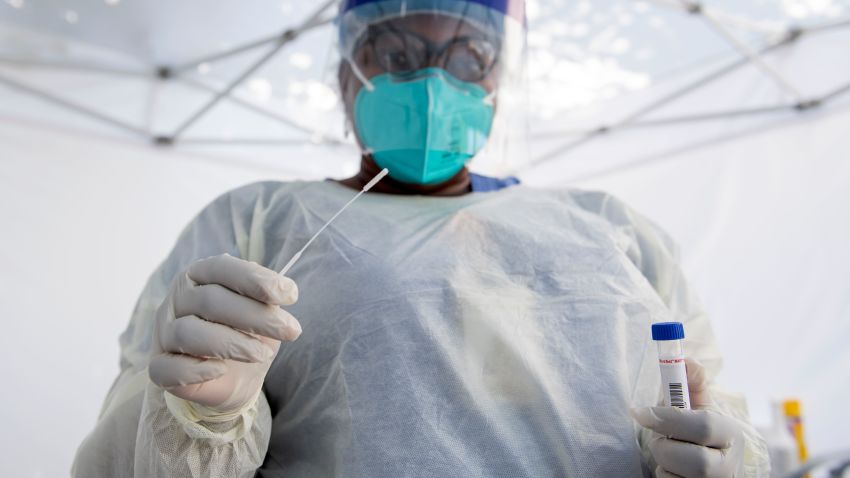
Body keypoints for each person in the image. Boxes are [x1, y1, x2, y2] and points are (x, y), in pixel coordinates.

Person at [73, 1, 769, 476]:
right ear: (344, 70)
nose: (435, 84)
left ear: (501, 76)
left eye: (470, 58)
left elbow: (711, 405)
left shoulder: (608, 225)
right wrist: (200, 415)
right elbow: (122, 459)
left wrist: (718, 456)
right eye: (396, 52)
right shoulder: (259, 222)